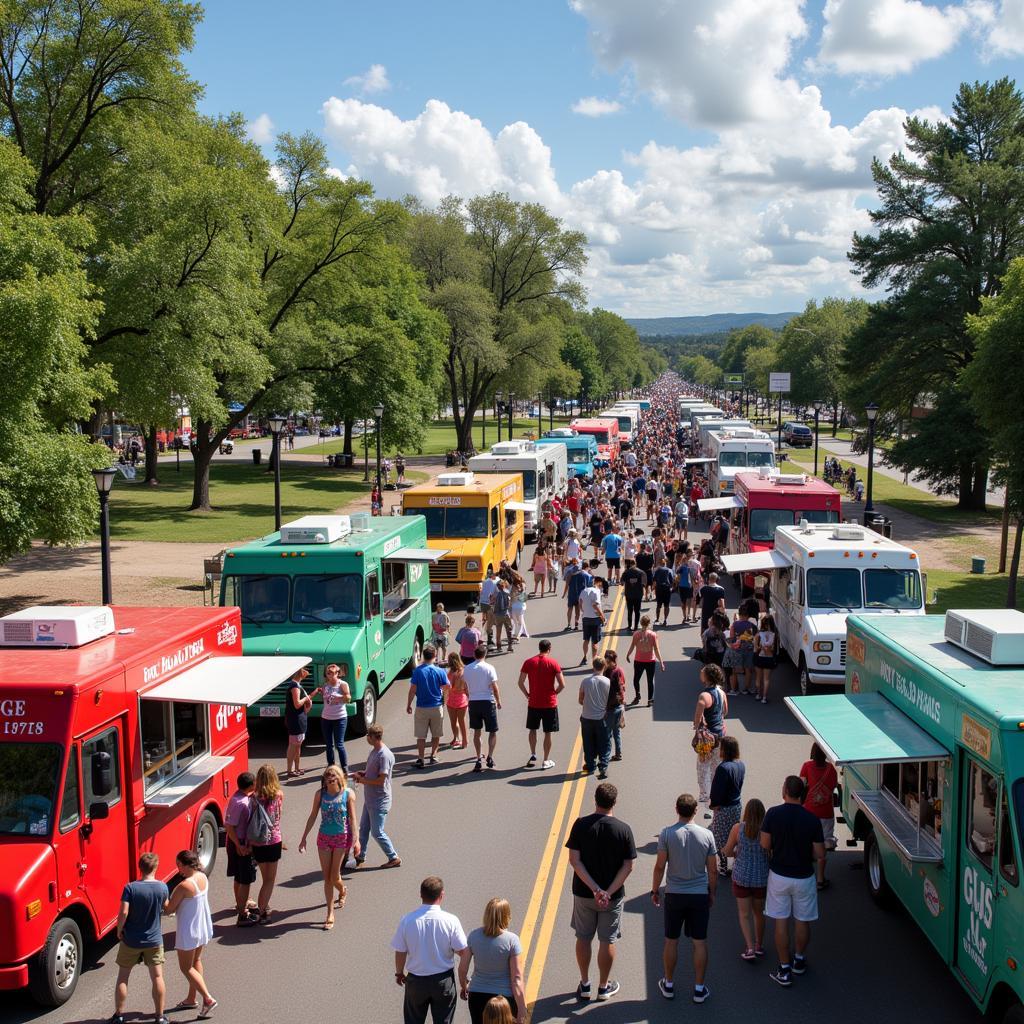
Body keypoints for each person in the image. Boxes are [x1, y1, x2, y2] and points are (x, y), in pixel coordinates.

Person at [565, 782, 637, 1003]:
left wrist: (595, 889)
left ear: (595, 800)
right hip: (612, 898)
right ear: (614, 802)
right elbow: (628, 866)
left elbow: (574, 861)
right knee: (607, 941)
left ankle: (585, 983)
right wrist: (607, 892)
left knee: (583, 937)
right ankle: (604, 987)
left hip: (584, 894)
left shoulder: (580, 825)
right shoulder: (623, 829)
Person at [651, 793, 717, 1004]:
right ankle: (699, 989)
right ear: (696, 811)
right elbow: (713, 871)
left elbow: (660, 866)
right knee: (699, 942)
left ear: (676, 809)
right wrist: (712, 893)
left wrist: (655, 890)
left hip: (675, 895)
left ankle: (668, 984)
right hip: (698, 895)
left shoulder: (667, 834)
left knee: (671, 940)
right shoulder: (707, 835)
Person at [760, 776, 826, 987]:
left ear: (785, 791)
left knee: (781, 921)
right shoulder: (812, 819)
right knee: (802, 920)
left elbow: (764, 843)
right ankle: (798, 959)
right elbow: (820, 853)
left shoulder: (773, 813)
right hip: (804, 876)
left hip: (779, 875)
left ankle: (784, 968)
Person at [393, 876, 469, 1024]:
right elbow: (463, 951)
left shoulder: (407, 920)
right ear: (442, 895)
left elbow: (400, 951)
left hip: (416, 981)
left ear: (420, 895)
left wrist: (399, 972)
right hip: (443, 981)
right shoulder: (451, 920)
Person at [111, 852, 170, 1024]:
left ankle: (119, 1015)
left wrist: (119, 930)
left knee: (123, 977)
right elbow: (167, 908)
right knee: (157, 977)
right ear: (156, 867)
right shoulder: (162, 887)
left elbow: (123, 912)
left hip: (131, 940)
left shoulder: (130, 888)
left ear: (140, 868)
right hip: (154, 941)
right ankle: (159, 1016)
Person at [299, 765, 360, 929]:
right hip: (323, 838)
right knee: (327, 878)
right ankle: (329, 913)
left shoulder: (348, 794)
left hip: (341, 838)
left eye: (333, 776)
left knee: (335, 876)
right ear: (324, 780)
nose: (330, 778)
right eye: (327, 776)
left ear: (339, 777)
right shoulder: (320, 795)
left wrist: (356, 840)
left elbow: (353, 819)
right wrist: (304, 837)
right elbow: (312, 816)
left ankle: (342, 890)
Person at [458, 897, 526, 1024]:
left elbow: (462, 969)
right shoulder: (512, 940)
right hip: (504, 999)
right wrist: (522, 1008)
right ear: (507, 916)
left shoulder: (474, 936)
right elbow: (517, 978)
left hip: (477, 995)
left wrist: (464, 986)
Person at [165, 850, 216, 1017]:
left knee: (186, 968)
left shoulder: (184, 885)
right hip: (202, 927)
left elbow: (169, 908)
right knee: (196, 961)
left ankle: (207, 999)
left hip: (189, 931)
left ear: (186, 865)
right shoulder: (202, 877)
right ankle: (191, 998)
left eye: (179, 865)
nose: (178, 869)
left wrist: (161, 892)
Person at [723, 799, 771, 960]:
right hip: (761, 878)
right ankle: (759, 945)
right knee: (759, 913)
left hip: (742, 877)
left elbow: (728, 851)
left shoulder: (738, 828)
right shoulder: (767, 831)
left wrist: (735, 852)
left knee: (744, 914)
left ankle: (749, 948)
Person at [353, 723, 401, 869]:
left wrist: (363, 780)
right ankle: (360, 856)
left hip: (379, 801)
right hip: (370, 799)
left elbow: (381, 780)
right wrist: (364, 773)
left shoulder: (384, 755)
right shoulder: (374, 751)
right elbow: (373, 772)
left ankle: (393, 857)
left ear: (374, 737)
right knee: (364, 828)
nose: (367, 738)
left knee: (377, 831)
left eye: (368, 735)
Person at [517, 639, 565, 769]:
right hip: (549, 703)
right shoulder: (553, 663)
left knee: (532, 729)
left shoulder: (529, 662)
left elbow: (520, 682)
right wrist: (554, 693)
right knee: (547, 732)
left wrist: (527, 694)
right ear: (549, 648)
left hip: (534, 702)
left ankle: (533, 754)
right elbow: (562, 684)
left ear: (539, 648)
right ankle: (546, 760)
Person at [800, 743, 839, 889]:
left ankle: (806, 874)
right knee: (822, 845)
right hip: (826, 813)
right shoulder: (831, 770)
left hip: (809, 811)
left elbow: (801, 786)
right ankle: (820, 879)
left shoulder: (806, 766)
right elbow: (833, 786)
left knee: (807, 841)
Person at [249, 764, 284, 922]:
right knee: (270, 880)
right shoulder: (278, 795)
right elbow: (278, 818)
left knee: (265, 879)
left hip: (258, 842)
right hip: (274, 840)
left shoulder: (253, 798)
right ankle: (261, 912)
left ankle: (264, 906)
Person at [224, 771, 258, 927]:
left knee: (238, 875)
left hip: (234, 842)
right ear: (251, 785)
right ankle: (242, 910)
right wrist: (239, 845)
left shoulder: (237, 797)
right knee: (244, 877)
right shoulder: (242, 803)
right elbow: (230, 827)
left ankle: (240, 902)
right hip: (240, 843)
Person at [407, 644, 450, 768]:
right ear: (435, 656)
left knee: (421, 735)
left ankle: (421, 758)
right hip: (437, 706)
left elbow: (412, 690)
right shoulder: (440, 671)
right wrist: (444, 699)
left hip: (421, 707)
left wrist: (409, 704)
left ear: (423, 656)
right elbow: (447, 686)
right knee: (436, 734)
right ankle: (434, 756)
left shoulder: (417, 671)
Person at [693, 665, 728, 808]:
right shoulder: (721, 692)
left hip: (707, 738)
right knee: (716, 766)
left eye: (703, 671)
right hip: (720, 735)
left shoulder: (704, 696)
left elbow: (697, 718)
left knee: (702, 767)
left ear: (707, 677)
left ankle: (705, 797)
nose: (701, 671)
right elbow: (725, 712)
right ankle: (715, 795)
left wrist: (698, 725)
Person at [709, 735, 745, 874]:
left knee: (720, 837)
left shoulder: (723, 768)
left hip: (724, 808)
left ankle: (724, 866)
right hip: (736, 805)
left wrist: (714, 805)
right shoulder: (740, 765)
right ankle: (734, 864)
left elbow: (717, 790)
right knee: (734, 835)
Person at [464, 644, 502, 772]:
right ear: (485, 655)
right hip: (487, 701)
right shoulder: (489, 668)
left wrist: (470, 696)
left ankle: (478, 758)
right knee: (492, 731)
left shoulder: (467, 669)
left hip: (474, 702)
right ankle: (490, 757)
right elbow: (495, 687)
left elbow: (465, 687)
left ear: (474, 655)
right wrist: (498, 701)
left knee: (477, 731)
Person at [579, 657, 612, 779]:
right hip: (601, 718)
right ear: (604, 667)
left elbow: (580, 699)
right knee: (604, 743)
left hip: (587, 716)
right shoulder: (608, 682)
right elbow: (610, 700)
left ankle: (590, 764)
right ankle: (603, 765)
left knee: (588, 743)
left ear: (593, 666)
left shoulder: (585, 681)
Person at [624, 615, 665, 706]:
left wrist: (628, 654)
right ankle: (650, 699)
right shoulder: (653, 635)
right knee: (650, 681)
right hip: (650, 661)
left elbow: (632, 645)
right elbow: (656, 649)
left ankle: (637, 695)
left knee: (636, 679)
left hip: (639, 660)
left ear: (641, 623)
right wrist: (661, 662)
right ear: (649, 623)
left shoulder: (636, 634)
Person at [284, 667, 318, 778]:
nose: (307, 672)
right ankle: (290, 769)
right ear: (300, 672)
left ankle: (297, 768)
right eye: (305, 670)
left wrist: (313, 694)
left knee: (298, 745)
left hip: (300, 718)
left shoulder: (297, 685)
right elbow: (297, 704)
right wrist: (306, 699)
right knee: (293, 745)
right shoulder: (294, 687)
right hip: (295, 720)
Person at [320, 662, 351, 770]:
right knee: (329, 745)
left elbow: (348, 698)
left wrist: (338, 698)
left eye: (333, 672)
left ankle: (344, 768)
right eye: (328, 673)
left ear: (338, 673)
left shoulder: (342, 684)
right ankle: (331, 765)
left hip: (340, 718)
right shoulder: (325, 686)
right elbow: (325, 700)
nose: (331, 675)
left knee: (339, 744)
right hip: (326, 718)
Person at [724, 600, 758, 696]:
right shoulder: (752, 625)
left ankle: (734, 690)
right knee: (748, 670)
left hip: (737, 649)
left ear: (739, 614)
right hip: (749, 649)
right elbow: (756, 637)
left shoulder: (734, 625)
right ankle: (745, 689)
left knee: (734, 670)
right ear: (748, 615)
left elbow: (731, 638)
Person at [602, 649, 626, 763]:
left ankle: (606, 757)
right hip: (616, 705)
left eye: (606, 660)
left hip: (613, 707)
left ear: (610, 660)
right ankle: (618, 754)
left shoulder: (613, 672)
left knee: (609, 733)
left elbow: (620, 687)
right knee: (616, 732)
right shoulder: (613, 671)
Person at [578, 576, 606, 666]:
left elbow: (580, 603)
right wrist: (602, 616)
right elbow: (595, 605)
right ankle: (594, 659)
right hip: (595, 618)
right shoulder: (596, 591)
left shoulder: (584, 591)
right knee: (595, 641)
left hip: (585, 618)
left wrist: (584, 611)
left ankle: (585, 657)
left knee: (586, 639)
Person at [446, 652, 470, 750]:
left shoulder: (449, 673)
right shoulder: (464, 672)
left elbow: (447, 688)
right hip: (462, 700)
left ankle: (456, 738)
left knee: (453, 721)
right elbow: (467, 688)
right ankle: (464, 740)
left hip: (451, 699)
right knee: (462, 721)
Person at [754, 613, 778, 704]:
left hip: (759, 657)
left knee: (758, 678)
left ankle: (758, 695)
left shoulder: (758, 635)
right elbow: (775, 649)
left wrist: (761, 647)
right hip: (769, 658)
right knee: (766, 679)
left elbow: (756, 648)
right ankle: (764, 698)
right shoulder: (774, 634)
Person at [488, 578, 515, 653]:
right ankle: (510, 646)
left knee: (498, 631)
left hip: (498, 615)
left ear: (498, 587)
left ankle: (499, 647)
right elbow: (509, 604)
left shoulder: (496, 594)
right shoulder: (507, 592)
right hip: (506, 614)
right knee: (509, 630)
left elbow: (491, 602)